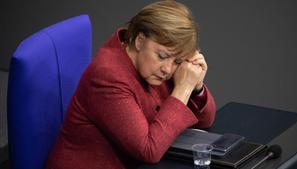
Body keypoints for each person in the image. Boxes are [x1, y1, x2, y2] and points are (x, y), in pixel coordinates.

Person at [46, 1, 216, 169]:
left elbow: (205, 121)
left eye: (177, 61)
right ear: (140, 41)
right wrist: (183, 89)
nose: (168, 69)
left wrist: (196, 88)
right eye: (162, 56)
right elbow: (149, 150)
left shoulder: (157, 64)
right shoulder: (107, 77)